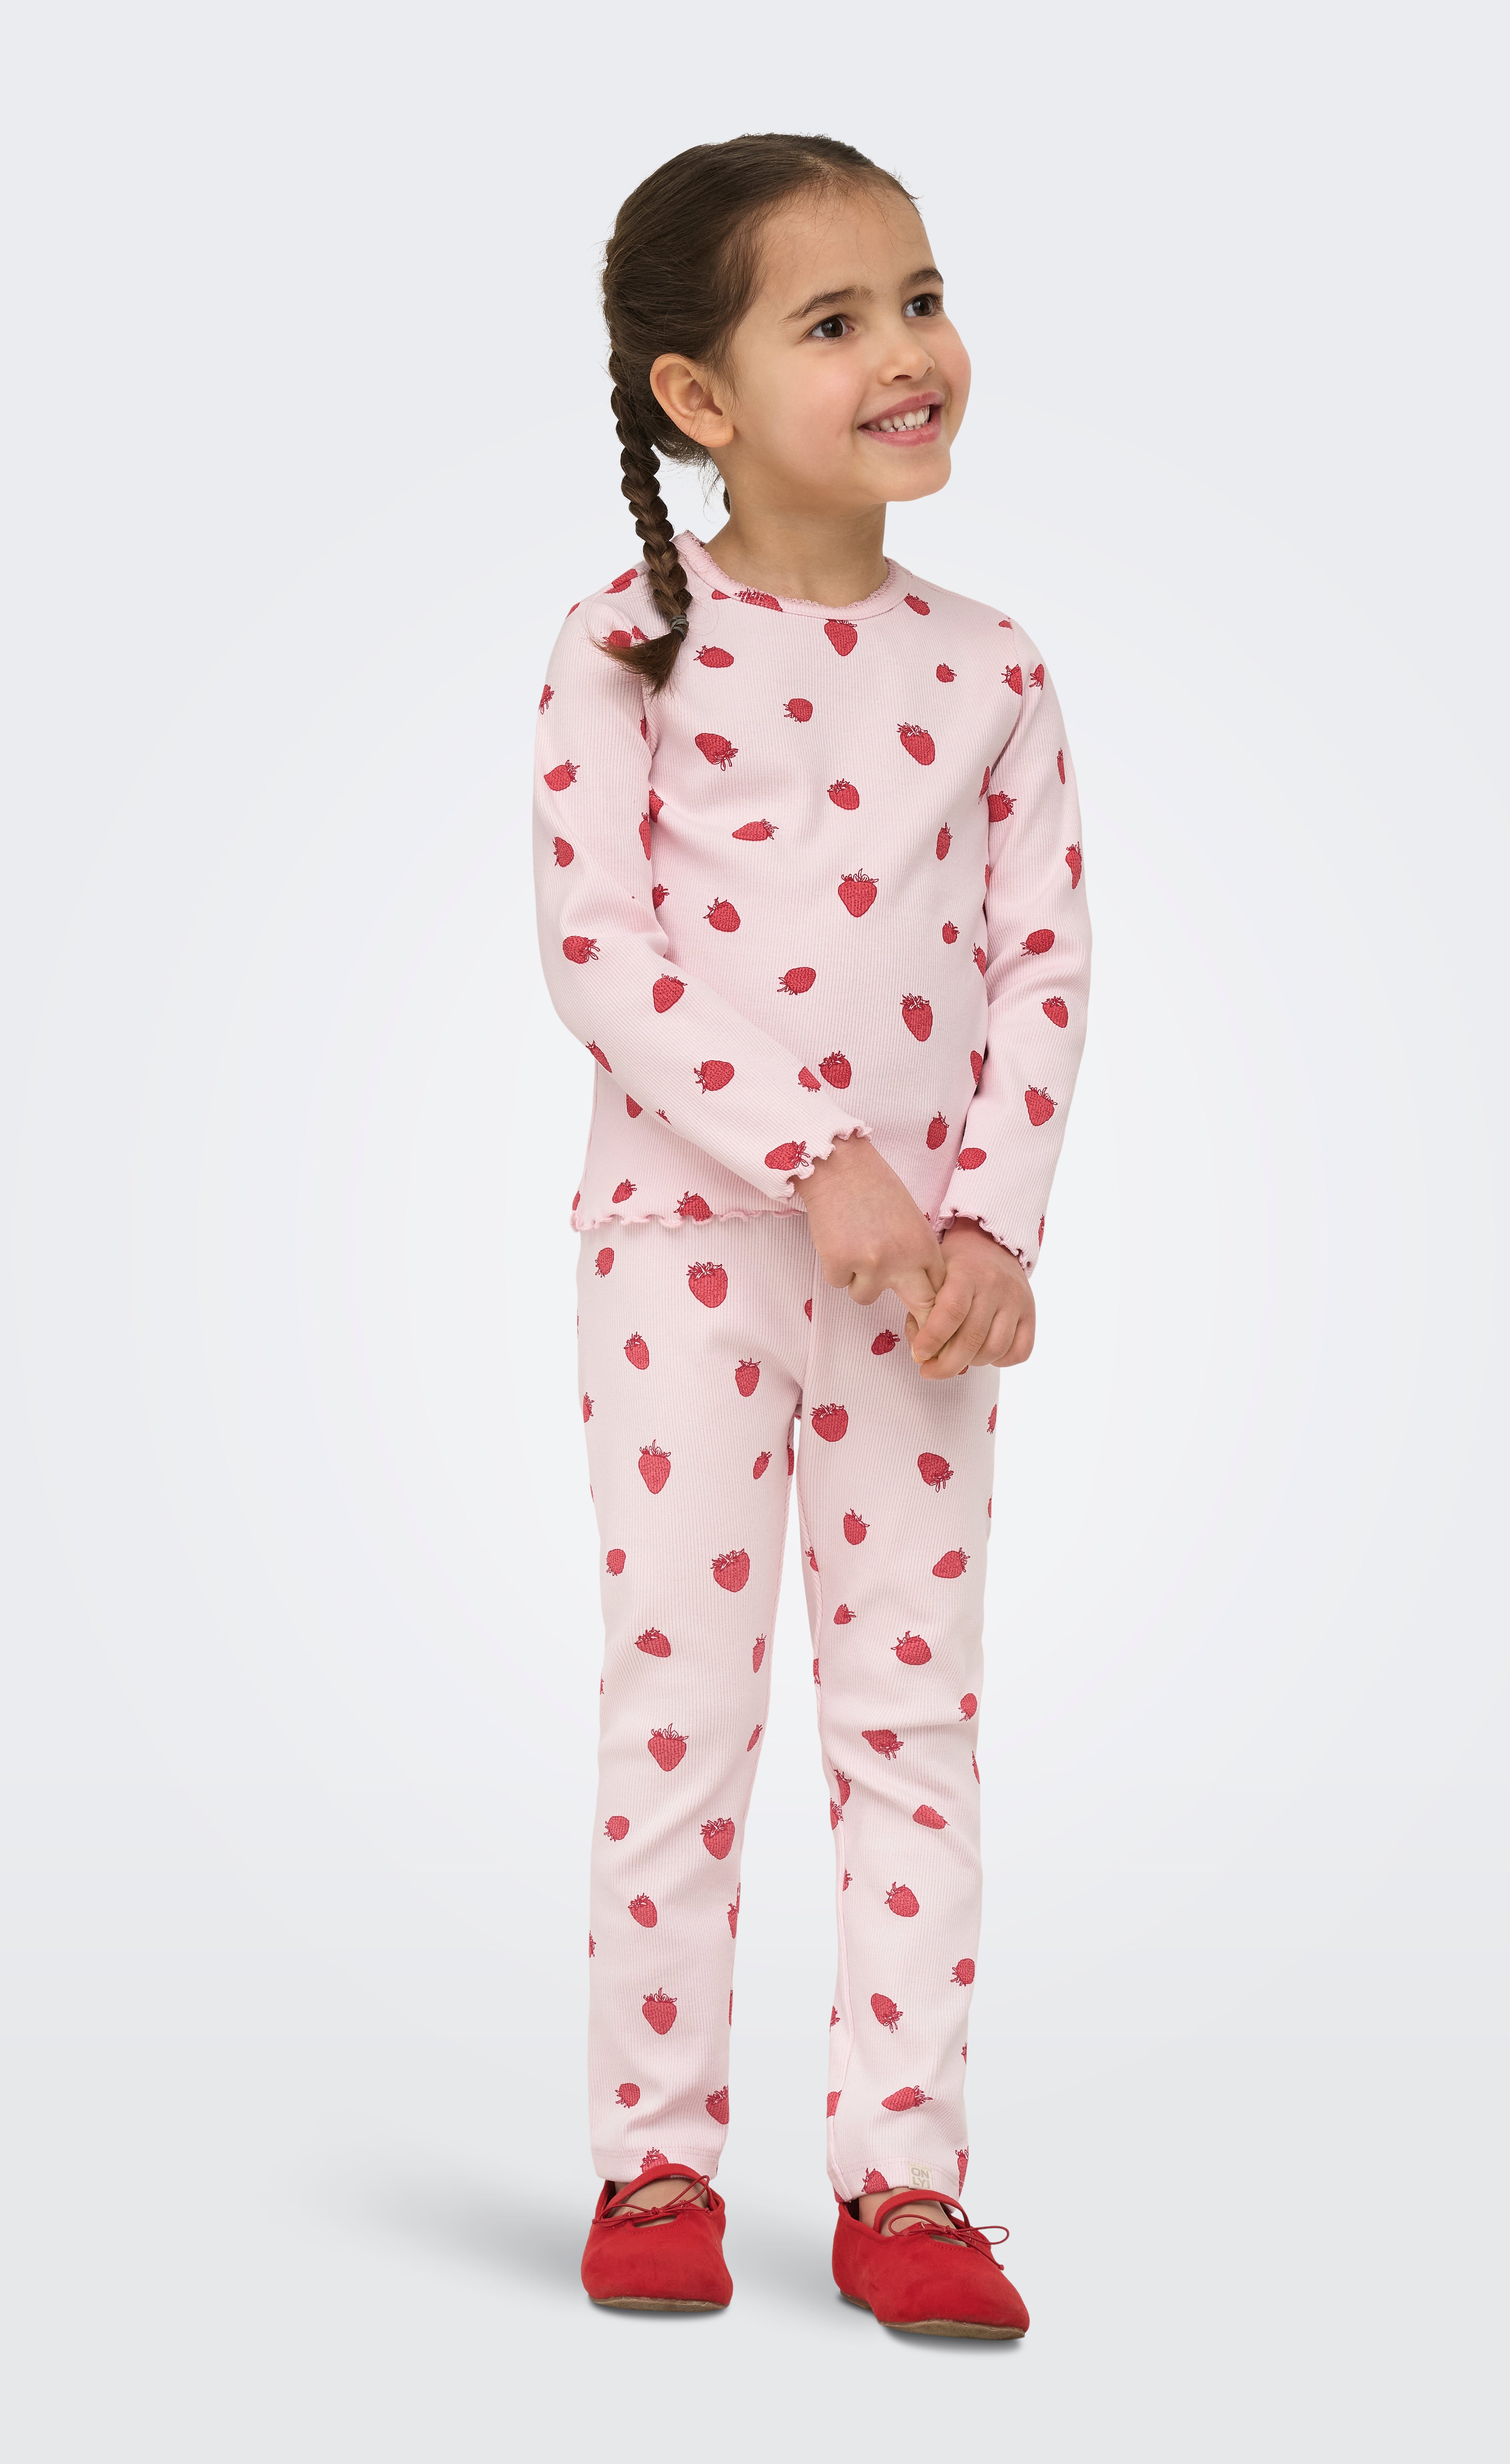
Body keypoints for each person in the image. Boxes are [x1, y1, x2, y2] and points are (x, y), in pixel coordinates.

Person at [531, 133, 1091, 2339]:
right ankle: (655, 2157)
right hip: (684, 1256)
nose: (906, 353)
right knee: (680, 1709)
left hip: (924, 1295)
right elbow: (601, 953)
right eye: (835, 321)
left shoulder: (994, 668)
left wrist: (991, 1228)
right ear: (699, 397)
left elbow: (1044, 961)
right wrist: (819, 1158)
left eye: (921, 299)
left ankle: (907, 2186)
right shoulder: (623, 646)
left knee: (909, 1721)